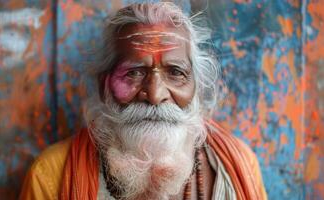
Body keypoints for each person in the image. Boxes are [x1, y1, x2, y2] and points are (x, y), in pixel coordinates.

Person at [20, 2, 267, 200]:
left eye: (176, 72)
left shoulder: (238, 165)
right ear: (103, 85)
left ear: (197, 86)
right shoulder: (52, 174)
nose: (156, 94)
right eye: (134, 72)